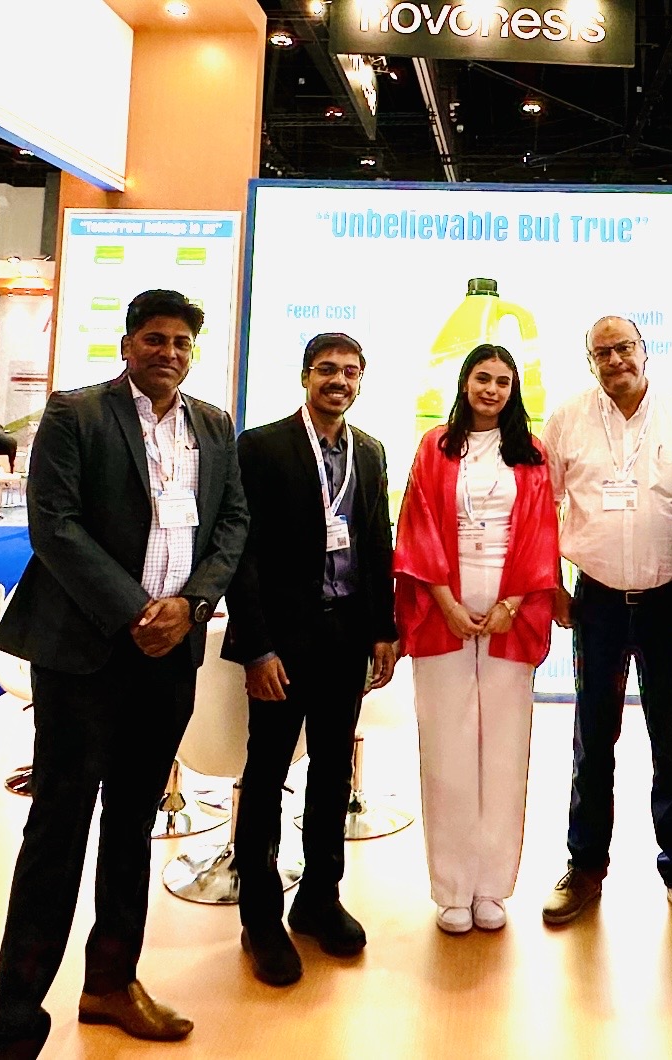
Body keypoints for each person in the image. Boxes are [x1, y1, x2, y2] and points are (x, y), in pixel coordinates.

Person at [0, 289, 248, 1059]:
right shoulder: (76, 414)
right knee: (59, 827)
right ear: (127, 344)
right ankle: (13, 1019)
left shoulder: (213, 424)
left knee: (133, 824)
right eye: (154, 338)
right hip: (85, 655)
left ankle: (110, 982)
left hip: (170, 658)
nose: (168, 352)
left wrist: (192, 606)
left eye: (181, 342)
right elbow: (55, 525)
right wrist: (139, 611)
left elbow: (232, 521)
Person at [222, 332, 397, 986]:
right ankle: (260, 917)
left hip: (345, 638)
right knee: (266, 774)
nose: (338, 381)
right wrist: (257, 647)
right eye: (327, 369)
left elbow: (376, 542)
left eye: (350, 372)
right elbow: (242, 554)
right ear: (304, 376)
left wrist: (384, 629)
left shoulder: (369, 452)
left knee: (331, 771)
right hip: (281, 644)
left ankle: (319, 898)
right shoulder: (261, 447)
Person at [539, 315, 672, 937]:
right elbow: (541, 506)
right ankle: (584, 867)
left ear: (645, 351)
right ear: (590, 362)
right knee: (593, 740)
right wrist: (551, 583)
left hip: (669, 604)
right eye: (601, 352)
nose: (614, 360)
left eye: (624, 348)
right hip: (598, 602)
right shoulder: (566, 420)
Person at [394, 344, 558, 934]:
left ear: (514, 391)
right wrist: (443, 601)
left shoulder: (531, 453)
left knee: (506, 749)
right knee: (447, 748)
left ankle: (492, 886)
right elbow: (417, 526)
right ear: (465, 382)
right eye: (482, 378)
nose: (492, 389)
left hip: (512, 608)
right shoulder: (435, 447)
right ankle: (452, 889)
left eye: (503, 381)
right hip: (445, 605)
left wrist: (514, 603)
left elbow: (541, 532)